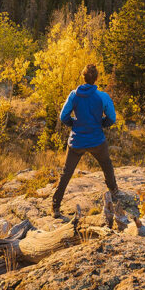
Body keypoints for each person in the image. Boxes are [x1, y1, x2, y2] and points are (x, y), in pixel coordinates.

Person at [52, 63, 119, 217]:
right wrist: (101, 124)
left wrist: (74, 124)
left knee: (66, 173)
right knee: (106, 165)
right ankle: (114, 191)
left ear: (83, 77)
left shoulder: (74, 95)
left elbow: (63, 117)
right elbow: (112, 118)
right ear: (96, 79)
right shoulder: (102, 96)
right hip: (96, 140)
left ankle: (55, 206)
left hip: (77, 141)